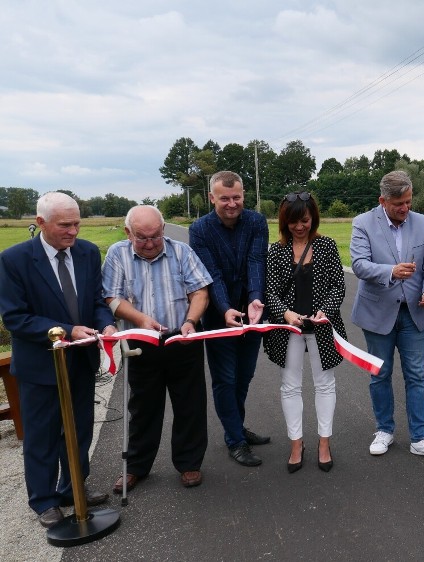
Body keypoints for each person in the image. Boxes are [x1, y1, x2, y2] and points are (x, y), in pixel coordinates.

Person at [0, 192, 115, 528]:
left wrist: (105, 322)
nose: (74, 232)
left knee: (78, 431)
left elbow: (96, 300)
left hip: (80, 362)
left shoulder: (88, 253)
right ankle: (44, 500)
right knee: (42, 435)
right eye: (65, 225)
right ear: (40, 223)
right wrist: (67, 330)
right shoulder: (14, 259)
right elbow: (16, 318)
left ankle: (72, 488)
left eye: (77, 223)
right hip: (40, 366)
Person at [102, 205, 211, 494]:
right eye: (142, 238)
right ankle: (136, 466)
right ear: (128, 233)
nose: (150, 244)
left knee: (190, 404)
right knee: (142, 407)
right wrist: (139, 319)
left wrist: (191, 320)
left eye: (155, 236)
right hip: (140, 342)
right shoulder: (117, 254)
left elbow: (200, 291)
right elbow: (112, 297)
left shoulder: (181, 251)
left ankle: (189, 462)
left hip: (182, 337)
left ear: (163, 230)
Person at [350, 170, 424, 461]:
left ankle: (421, 437)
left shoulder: (423, 223)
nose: (405, 208)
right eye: (398, 204)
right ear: (382, 200)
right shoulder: (362, 223)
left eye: (408, 201)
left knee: (417, 375)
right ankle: (384, 430)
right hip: (377, 312)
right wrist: (390, 272)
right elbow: (358, 264)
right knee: (379, 374)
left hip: (415, 313)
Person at [189, 171, 271, 467]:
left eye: (236, 197)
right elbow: (212, 274)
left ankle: (236, 426)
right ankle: (235, 440)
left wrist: (254, 297)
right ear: (212, 198)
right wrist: (224, 308)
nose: (231, 203)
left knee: (245, 375)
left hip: (252, 312)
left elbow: (256, 261)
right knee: (225, 378)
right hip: (217, 316)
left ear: (243, 194)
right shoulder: (199, 229)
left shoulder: (256, 222)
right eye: (224, 198)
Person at [264, 192, 346, 473]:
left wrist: (324, 311)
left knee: (325, 385)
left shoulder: (326, 246)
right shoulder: (276, 251)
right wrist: (286, 314)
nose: (300, 227)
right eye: (293, 222)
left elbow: (338, 286)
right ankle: (296, 443)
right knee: (290, 386)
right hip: (288, 329)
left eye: (305, 221)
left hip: (321, 327)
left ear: (313, 219)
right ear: (284, 222)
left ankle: (324, 443)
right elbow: (270, 292)